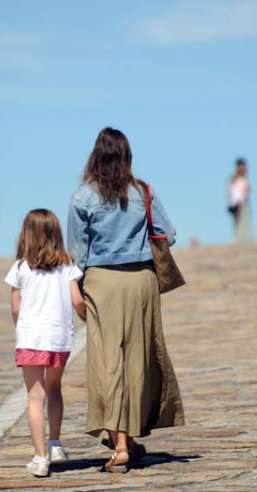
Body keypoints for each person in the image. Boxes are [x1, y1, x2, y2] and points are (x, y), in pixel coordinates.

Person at [68, 127, 184, 473]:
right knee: (139, 361)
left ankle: (119, 444)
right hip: (142, 282)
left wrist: (76, 292)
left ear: (95, 157)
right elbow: (170, 234)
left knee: (108, 364)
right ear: (127, 156)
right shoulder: (142, 191)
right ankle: (129, 440)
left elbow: (76, 254)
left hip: (102, 283)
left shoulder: (82, 197)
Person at [4, 209, 86, 477]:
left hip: (31, 338)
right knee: (54, 388)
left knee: (34, 396)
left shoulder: (19, 268)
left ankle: (40, 458)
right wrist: (88, 317)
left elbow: (15, 308)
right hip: (59, 339)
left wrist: (23, 328)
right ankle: (55, 443)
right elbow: (77, 301)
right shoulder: (67, 265)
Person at [227, 158, 255, 244]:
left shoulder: (243, 181)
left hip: (239, 204)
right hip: (234, 203)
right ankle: (236, 238)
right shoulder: (234, 180)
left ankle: (238, 239)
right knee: (236, 222)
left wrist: (242, 204)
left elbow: (244, 194)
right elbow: (230, 192)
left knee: (239, 222)